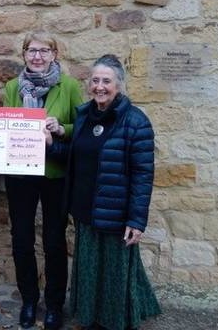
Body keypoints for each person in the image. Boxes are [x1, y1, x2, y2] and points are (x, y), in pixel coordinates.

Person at [45, 54, 162, 330]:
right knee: (89, 272)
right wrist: (51, 145)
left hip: (116, 214)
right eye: (95, 80)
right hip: (84, 210)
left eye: (106, 81)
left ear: (119, 85)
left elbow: (143, 174)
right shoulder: (84, 115)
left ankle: (116, 322)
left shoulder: (136, 122)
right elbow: (75, 156)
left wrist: (136, 219)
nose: (100, 86)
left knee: (114, 276)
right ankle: (91, 319)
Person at [3, 31, 84, 329]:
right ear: (23, 54)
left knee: (53, 240)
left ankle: (53, 304)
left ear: (54, 54)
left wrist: (61, 128)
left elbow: (83, 127)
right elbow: (5, 127)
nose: (37, 56)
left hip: (55, 175)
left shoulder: (70, 86)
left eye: (44, 50)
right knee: (21, 238)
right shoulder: (12, 87)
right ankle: (28, 300)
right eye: (31, 50)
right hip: (21, 174)